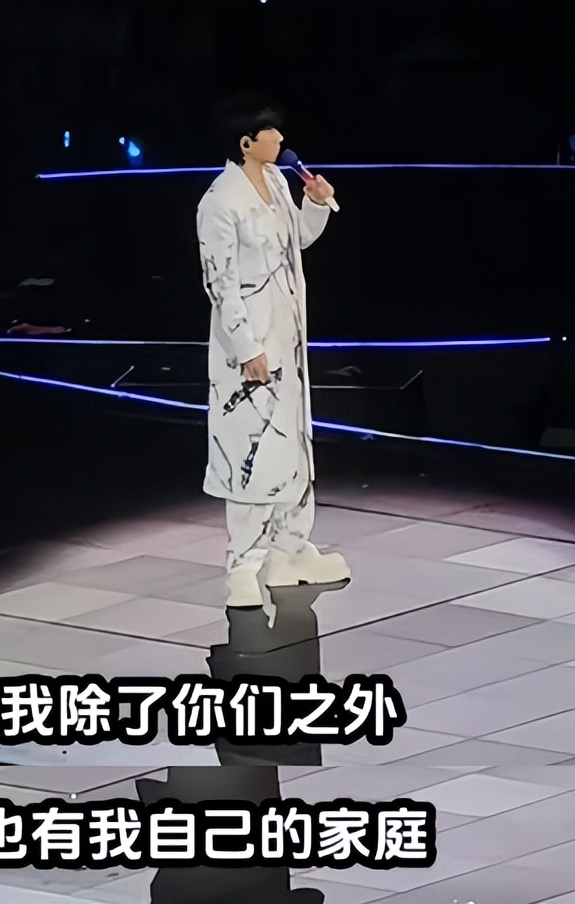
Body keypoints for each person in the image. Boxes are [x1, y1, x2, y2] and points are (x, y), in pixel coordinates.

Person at [196, 95, 351, 608]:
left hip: (289, 339)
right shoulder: (220, 202)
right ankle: (242, 565)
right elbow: (220, 283)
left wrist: (315, 203)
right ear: (246, 142)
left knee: (293, 447)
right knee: (252, 451)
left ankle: (291, 550)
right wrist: (246, 348)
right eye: (271, 133)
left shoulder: (280, 183)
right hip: (251, 348)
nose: (280, 140)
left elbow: (296, 242)